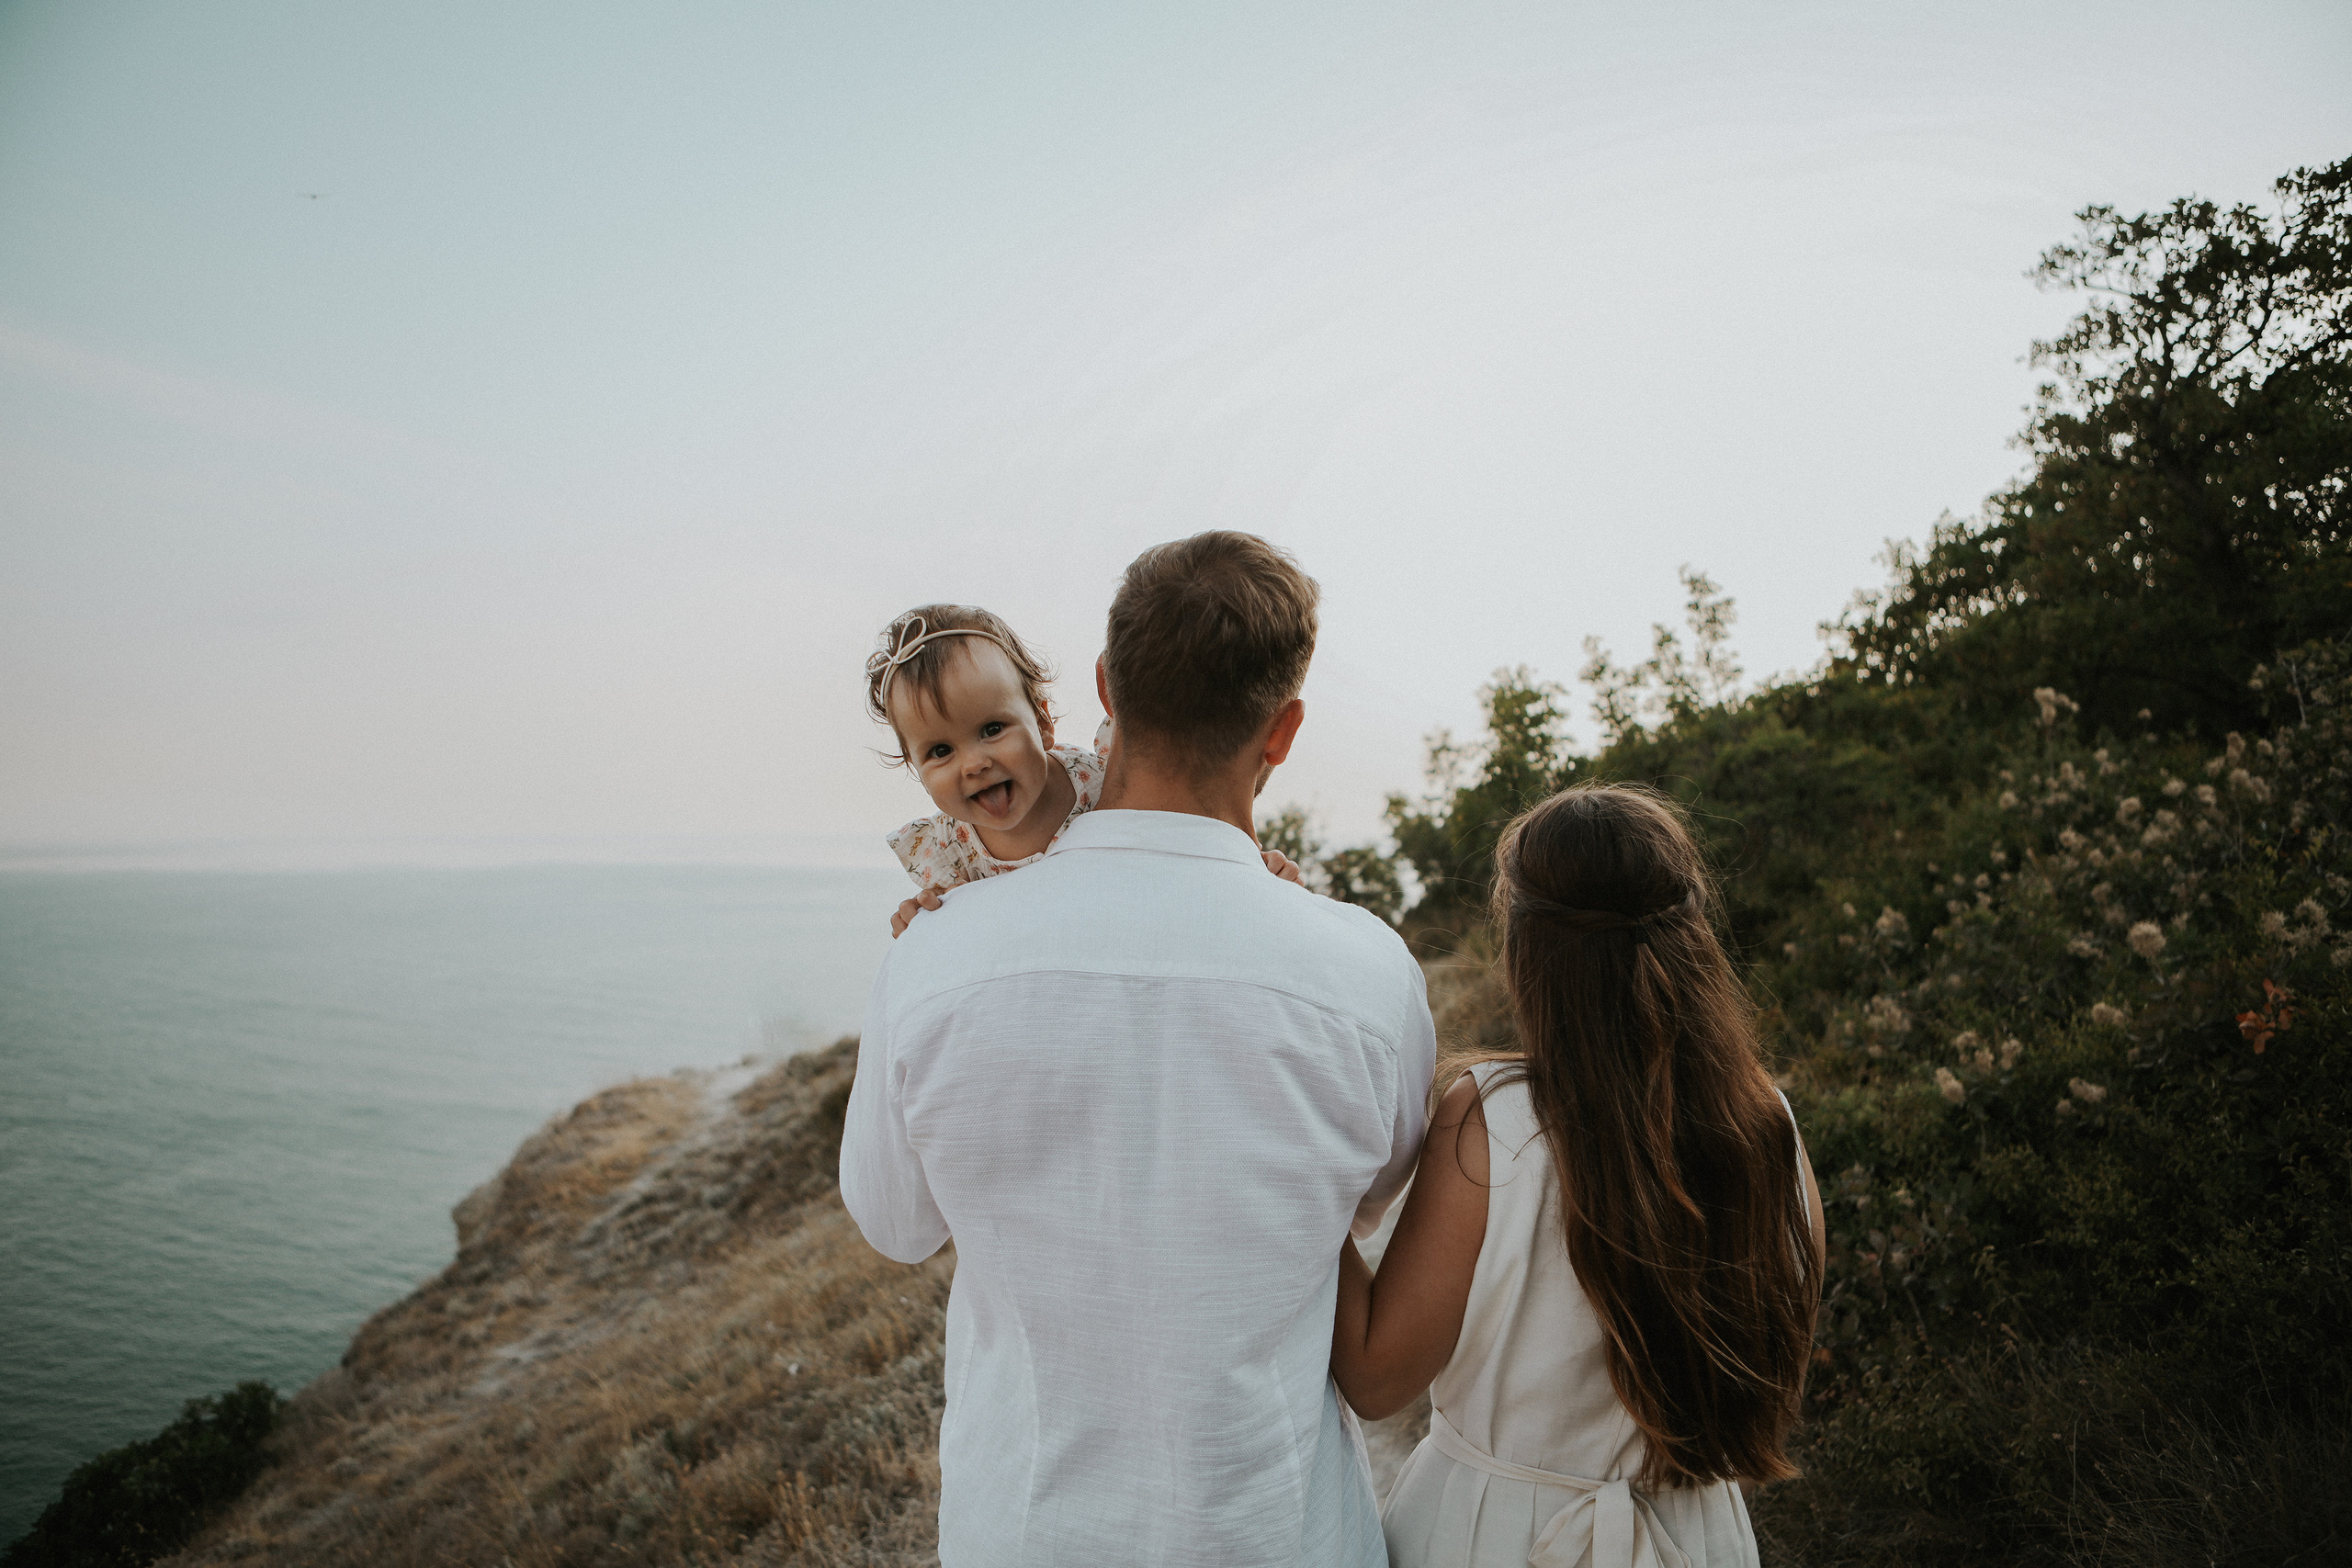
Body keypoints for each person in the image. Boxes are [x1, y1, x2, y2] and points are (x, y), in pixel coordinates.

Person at [840, 532, 1438, 1567]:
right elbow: (1368, 1196)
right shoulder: (1368, 971)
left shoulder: (932, 955)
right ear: (1283, 730)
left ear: (1105, 689)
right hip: (1280, 1533)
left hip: (1024, 1533)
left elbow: (895, 1227)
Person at [1330, 784, 1827, 1568]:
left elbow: (1374, 1375)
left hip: (1491, 1537)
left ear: (1529, 951)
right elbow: (1779, 1365)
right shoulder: (1767, 1122)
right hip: (1695, 1540)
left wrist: (1296, 1178)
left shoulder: (1492, 1120)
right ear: (1692, 931)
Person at [863, 603, 1300, 937]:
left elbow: (1186, 829)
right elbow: (956, 936)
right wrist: (921, 924)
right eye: (940, 750)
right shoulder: (946, 854)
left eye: (992, 728)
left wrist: (1249, 868)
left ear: (1043, 722)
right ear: (914, 767)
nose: (975, 763)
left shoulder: (1107, 777)